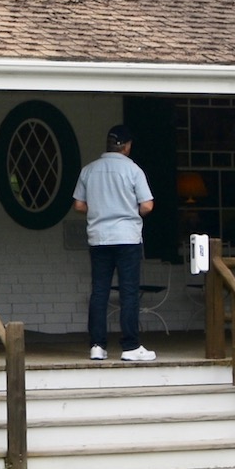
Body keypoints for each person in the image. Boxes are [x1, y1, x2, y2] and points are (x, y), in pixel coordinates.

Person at [73, 124, 158, 362]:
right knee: (129, 292)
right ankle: (130, 346)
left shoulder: (89, 170)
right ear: (128, 146)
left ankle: (97, 346)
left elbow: (79, 205)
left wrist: (101, 209)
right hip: (127, 237)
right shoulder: (133, 170)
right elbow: (147, 205)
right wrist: (127, 210)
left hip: (99, 237)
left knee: (99, 291)